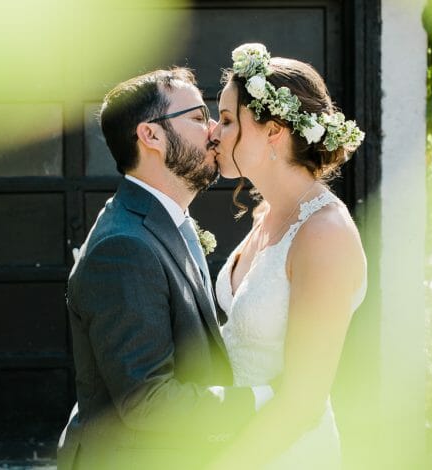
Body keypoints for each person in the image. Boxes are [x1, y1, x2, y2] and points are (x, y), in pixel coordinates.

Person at [57, 67, 273, 470]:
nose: (214, 131)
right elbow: (148, 402)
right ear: (151, 135)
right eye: (198, 117)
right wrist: (266, 398)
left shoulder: (163, 220)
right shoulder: (124, 248)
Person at [207, 43, 367, 469]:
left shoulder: (324, 234)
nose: (213, 133)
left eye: (227, 120)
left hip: (284, 452)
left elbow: (303, 401)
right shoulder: (267, 213)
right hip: (235, 433)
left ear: (274, 130)